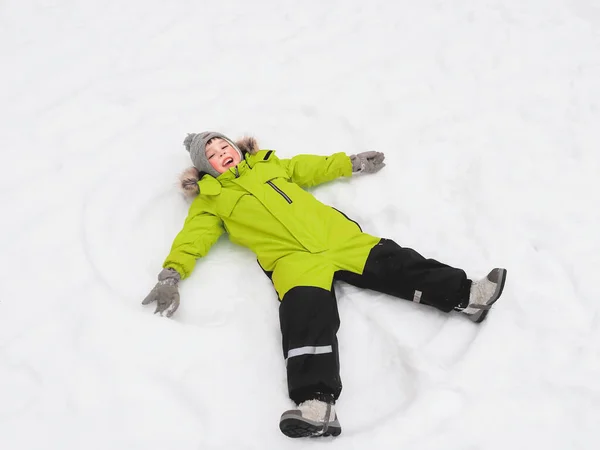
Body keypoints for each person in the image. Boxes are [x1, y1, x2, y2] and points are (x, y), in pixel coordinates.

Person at [142, 131, 507, 438]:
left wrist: (351, 162)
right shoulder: (212, 202)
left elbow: (311, 167)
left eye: (225, 147)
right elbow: (193, 238)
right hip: (292, 262)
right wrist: (171, 275)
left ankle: (469, 296)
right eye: (214, 155)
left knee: (399, 264)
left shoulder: (271, 165)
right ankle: (316, 407)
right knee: (305, 321)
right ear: (206, 168)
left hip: (336, 239)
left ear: (237, 149)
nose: (224, 154)